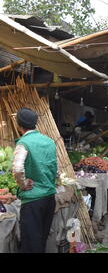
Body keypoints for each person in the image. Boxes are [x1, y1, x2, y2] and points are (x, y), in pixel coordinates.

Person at [12, 108, 58, 253]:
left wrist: (23, 184)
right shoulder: (49, 141)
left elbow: (17, 168)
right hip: (49, 198)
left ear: (19, 125)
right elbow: (55, 169)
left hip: (33, 201)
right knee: (41, 239)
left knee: (31, 243)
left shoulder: (24, 143)